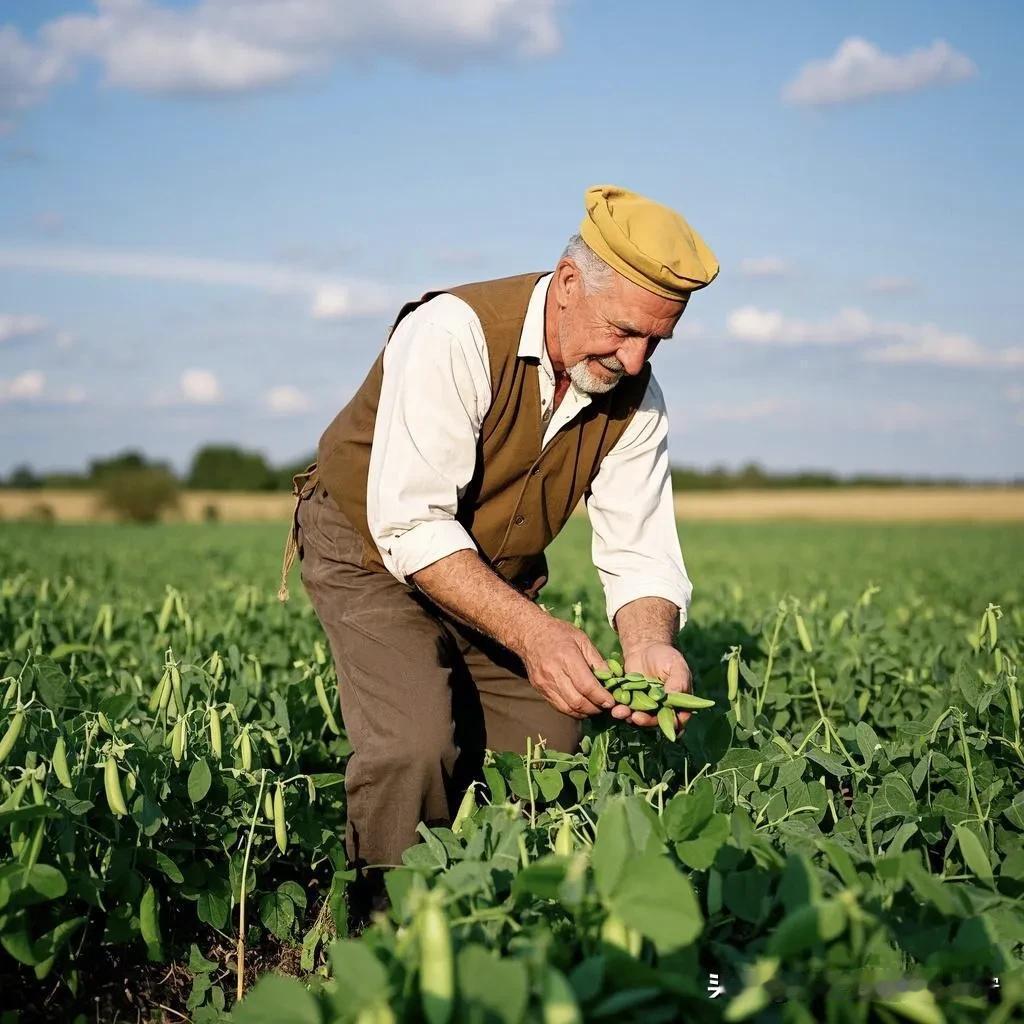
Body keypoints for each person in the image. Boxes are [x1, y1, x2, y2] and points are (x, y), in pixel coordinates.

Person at [278, 184, 719, 926]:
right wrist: (534, 633)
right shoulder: (453, 333)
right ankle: (378, 928)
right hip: (370, 548)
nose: (636, 357)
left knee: (553, 733)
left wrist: (649, 645)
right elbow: (412, 526)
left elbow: (641, 548)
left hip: (486, 569)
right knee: (417, 741)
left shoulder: (635, 396)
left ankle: (488, 905)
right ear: (571, 284)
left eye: (657, 340)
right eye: (623, 330)